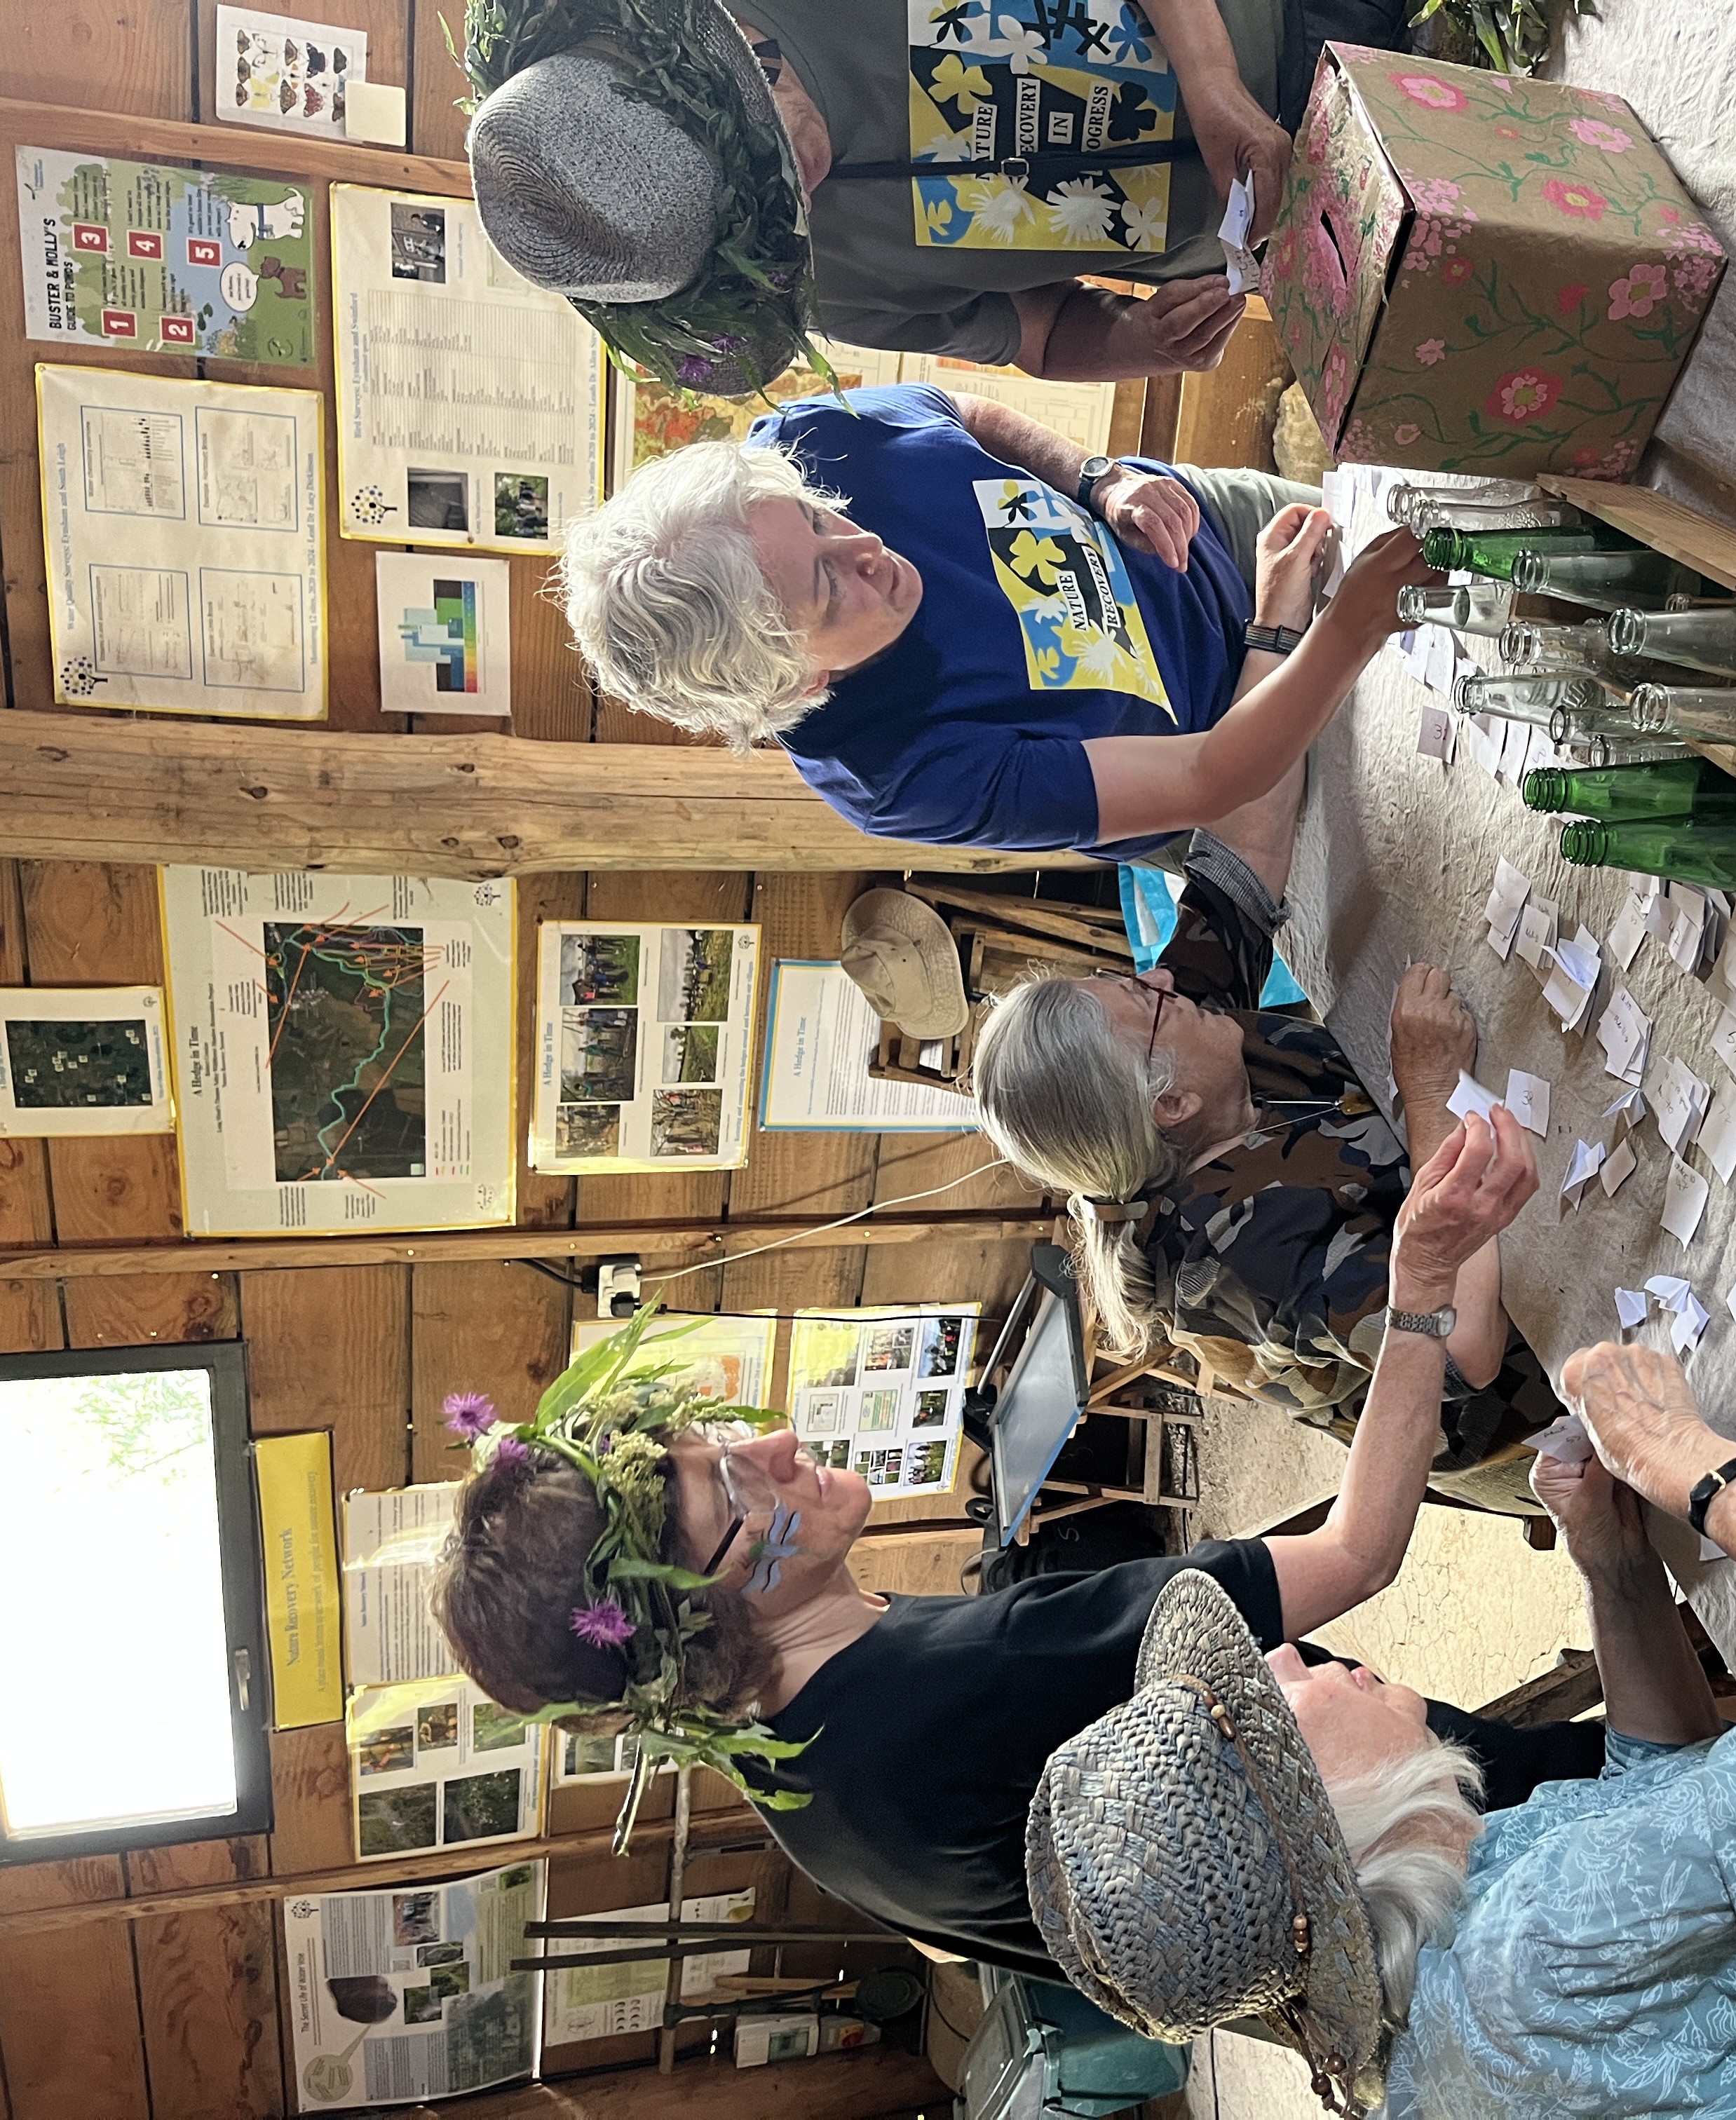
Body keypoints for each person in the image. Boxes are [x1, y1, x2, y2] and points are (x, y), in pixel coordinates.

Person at [429, 1113, 1597, 1985]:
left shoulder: (787, 1781)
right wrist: (1420, 1289)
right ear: (704, 1617)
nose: (775, 1441)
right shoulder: (978, 1673)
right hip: (1474, 1855)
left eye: (724, 1436)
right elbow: (1358, 1549)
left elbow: (955, 1939)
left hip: (1361, 1959)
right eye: (733, 1484)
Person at [1028, 1341, 1736, 2115]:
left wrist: (1616, 1568)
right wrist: (1682, 1456)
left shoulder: (1437, 1953)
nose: (1288, 1656)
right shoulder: (1534, 1952)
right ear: (1321, 1830)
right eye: (1268, 1703)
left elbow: (1659, 1796)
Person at [557, 381, 1435, 856]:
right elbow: (1212, 777)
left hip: (1216, 536)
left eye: (819, 518)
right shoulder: (896, 776)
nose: (865, 548)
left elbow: (963, 414)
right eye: (827, 586)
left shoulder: (800, 444)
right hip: (1240, 735)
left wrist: (1098, 479)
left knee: (1452, 523)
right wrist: (1326, 628)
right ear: (797, 682)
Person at [972, 825, 1559, 1508]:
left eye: (1127, 981)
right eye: (1144, 999)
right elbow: (1462, 1345)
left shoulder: (1183, 1046)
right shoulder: (1231, 1258)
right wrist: (1432, 1094)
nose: (1160, 978)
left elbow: (1241, 858)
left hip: (1490, 1221)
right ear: (1172, 1103)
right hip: (1522, 1400)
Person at [460, 0, 1409, 387]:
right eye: (769, 218)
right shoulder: (802, 286)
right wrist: (1145, 342)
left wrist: (1211, 80)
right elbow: (1039, 336)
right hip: (1312, 230)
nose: (803, 192)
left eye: (765, 150)